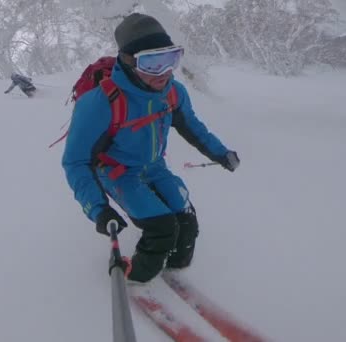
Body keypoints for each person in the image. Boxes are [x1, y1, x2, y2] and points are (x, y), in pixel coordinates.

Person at [62, 13, 240, 284]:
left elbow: (192, 126)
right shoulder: (98, 103)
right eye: (153, 63)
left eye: (170, 59)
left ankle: (176, 268)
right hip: (118, 173)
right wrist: (98, 209)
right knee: (162, 229)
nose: (165, 72)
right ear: (130, 61)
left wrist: (220, 152)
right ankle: (136, 277)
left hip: (155, 167)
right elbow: (75, 162)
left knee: (187, 223)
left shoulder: (173, 92)